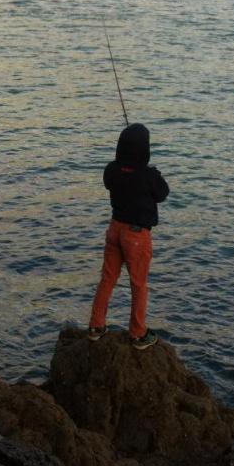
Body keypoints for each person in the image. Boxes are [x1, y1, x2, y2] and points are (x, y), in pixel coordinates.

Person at [87, 122, 169, 349]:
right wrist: (153, 173)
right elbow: (163, 193)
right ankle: (138, 333)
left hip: (114, 229)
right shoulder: (148, 175)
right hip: (136, 235)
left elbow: (112, 180)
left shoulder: (111, 169)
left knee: (107, 279)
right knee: (139, 284)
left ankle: (96, 326)